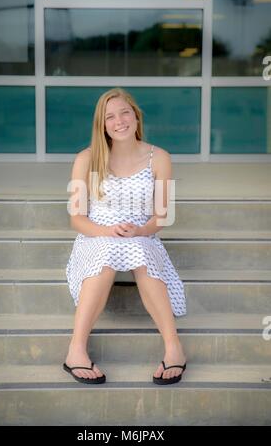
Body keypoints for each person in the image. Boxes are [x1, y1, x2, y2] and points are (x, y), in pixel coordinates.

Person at [64, 87, 187, 385]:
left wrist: (141, 230)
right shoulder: (86, 158)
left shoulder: (160, 158)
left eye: (124, 112)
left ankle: (174, 349)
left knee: (142, 252)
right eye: (110, 117)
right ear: (102, 124)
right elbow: (77, 219)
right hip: (96, 234)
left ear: (136, 116)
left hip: (141, 233)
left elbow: (163, 215)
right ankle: (75, 351)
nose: (119, 121)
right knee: (105, 252)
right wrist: (107, 231)